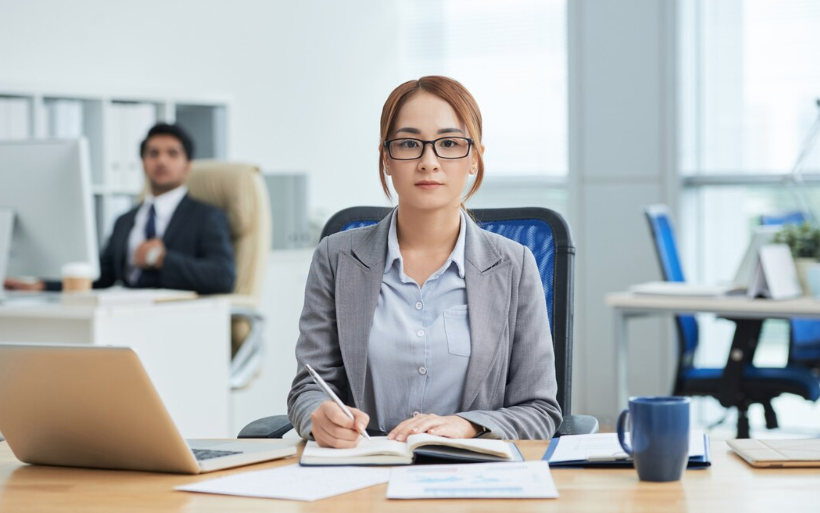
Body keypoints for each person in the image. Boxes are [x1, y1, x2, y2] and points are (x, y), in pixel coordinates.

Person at [287, 76, 562, 448]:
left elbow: (540, 410)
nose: (428, 162)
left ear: (474, 158)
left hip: (472, 476)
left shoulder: (516, 265)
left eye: (449, 143)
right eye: (409, 144)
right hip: (364, 473)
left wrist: (469, 425)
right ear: (386, 158)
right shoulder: (337, 258)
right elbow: (310, 385)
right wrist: (317, 415)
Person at [4, 123, 235, 295]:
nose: (161, 161)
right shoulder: (126, 220)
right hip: (124, 311)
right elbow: (102, 276)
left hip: (177, 315)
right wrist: (43, 285)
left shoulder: (207, 216)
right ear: (143, 163)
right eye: (153, 153)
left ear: (188, 166)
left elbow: (223, 277)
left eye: (172, 153)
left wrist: (163, 259)